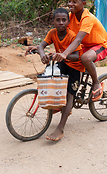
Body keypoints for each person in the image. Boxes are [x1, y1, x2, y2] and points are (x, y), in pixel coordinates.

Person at [25, 8, 85, 142]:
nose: (61, 22)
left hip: (75, 67)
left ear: (68, 22)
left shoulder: (72, 36)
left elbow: (76, 56)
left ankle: (60, 128)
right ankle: (60, 105)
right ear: (53, 22)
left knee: (70, 95)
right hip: (62, 64)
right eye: (57, 20)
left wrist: (63, 56)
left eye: (64, 20)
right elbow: (41, 46)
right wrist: (43, 56)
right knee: (51, 79)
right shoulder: (52, 33)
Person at [51, 0, 107, 102]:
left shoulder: (87, 18)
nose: (70, 4)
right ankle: (69, 96)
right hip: (84, 45)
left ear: (83, 4)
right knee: (69, 59)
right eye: (69, 1)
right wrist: (41, 46)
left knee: (85, 58)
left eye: (74, 1)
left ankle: (96, 83)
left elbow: (77, 40)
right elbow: (59, 32)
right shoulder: (70, 16)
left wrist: (64, 53)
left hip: (98, 45)